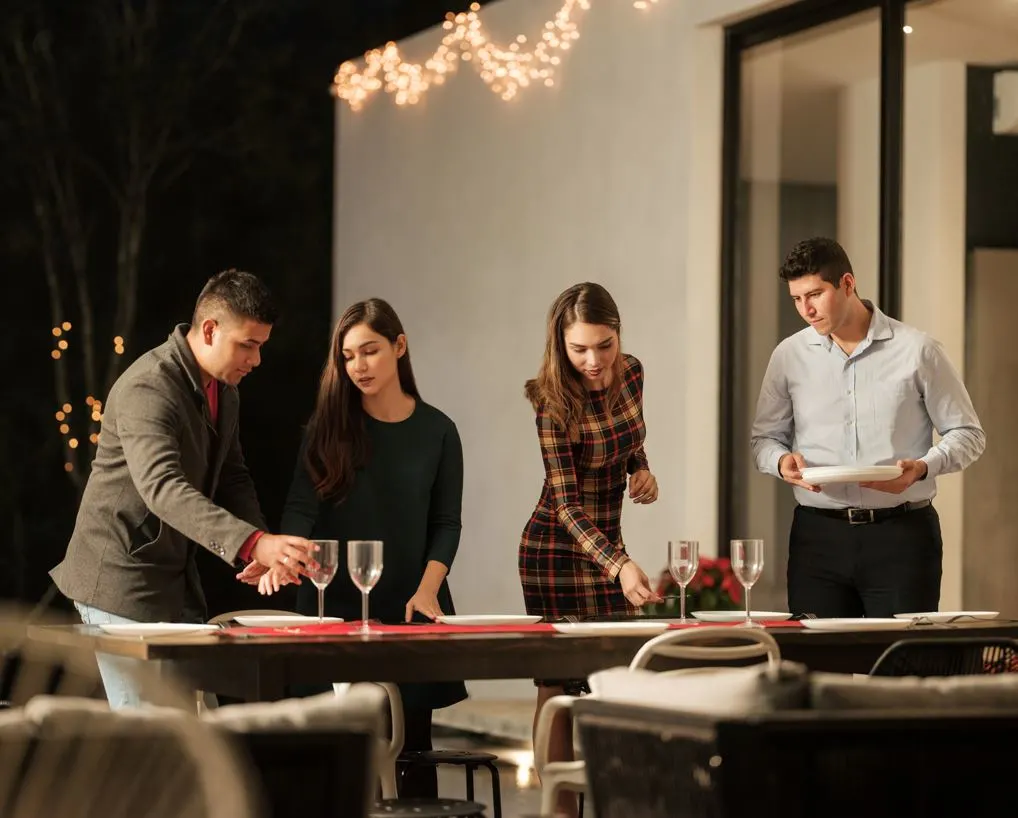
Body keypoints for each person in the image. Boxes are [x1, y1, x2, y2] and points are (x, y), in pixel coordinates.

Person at [50, 270, 316, 708]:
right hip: (119, 579)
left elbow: (233, 476)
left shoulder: (224, 391)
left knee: (197, 738)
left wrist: (259, 547)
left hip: (173, 582)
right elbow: (162, 487)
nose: (256, 360)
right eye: (248, 344)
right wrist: (254, 543)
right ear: (210, 330)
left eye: (261, 346)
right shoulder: (147, 386)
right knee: (159, 746)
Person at [270, 297, 467, 798]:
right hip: (333, 612)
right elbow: (300, 511)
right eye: (348, 356)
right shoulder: (326, 430)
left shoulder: (439, 431)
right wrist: (280, 557)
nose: (358, 366)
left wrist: (428, 593)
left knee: (411, 754)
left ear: (399, 347)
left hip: (410, 607)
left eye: (370, 351)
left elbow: (446, 524)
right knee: (335, 760)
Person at [750, 237, 985, 618]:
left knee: (900, 668)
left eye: (815, 294)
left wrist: (922, 468)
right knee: (816, 672)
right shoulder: (788, 356)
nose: (806, 310)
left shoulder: (918, 351)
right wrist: (780, 463)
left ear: (847, 283)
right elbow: (763, 439)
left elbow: (968, 434)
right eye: (796, 299)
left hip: (902, 536)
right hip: (817, 539)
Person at [518, 282, 660, 818]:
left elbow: (630, 436)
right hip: (554, 550)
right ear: (561, 343)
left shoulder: (633, 372)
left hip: (608, 546)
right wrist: (618, 564)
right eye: (580, 349)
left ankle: (611, 803)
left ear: (617, 334)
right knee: (556, 688)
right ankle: (559, 811)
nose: (594, 360)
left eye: (604, 345)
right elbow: (564, 504)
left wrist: (640, 468)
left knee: (611, 678)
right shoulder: (550, 400)